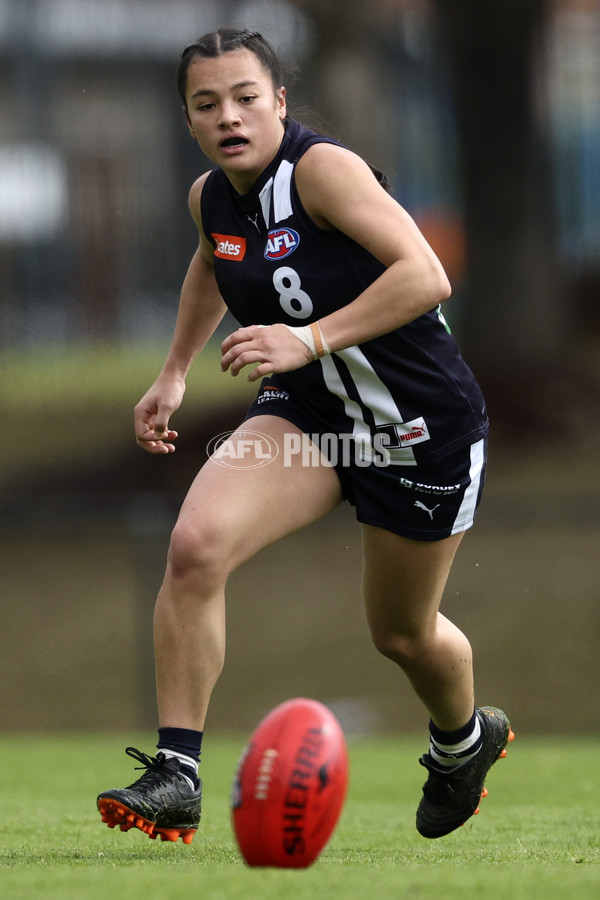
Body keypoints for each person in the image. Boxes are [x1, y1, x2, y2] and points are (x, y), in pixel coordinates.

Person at [96, 26, 513, 845]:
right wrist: (174, 371)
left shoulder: (323, 171)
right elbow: (214, 261)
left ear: (280, 102)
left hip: (413, 428)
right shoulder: (210, 196)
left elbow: (427, 274)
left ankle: (466, 742)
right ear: (188, 120)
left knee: (400, 632)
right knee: (195, 548)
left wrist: (308, 338)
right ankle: (178, 772)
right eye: (207, 104)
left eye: (247, 97)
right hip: (311, 418)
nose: (230, 116)